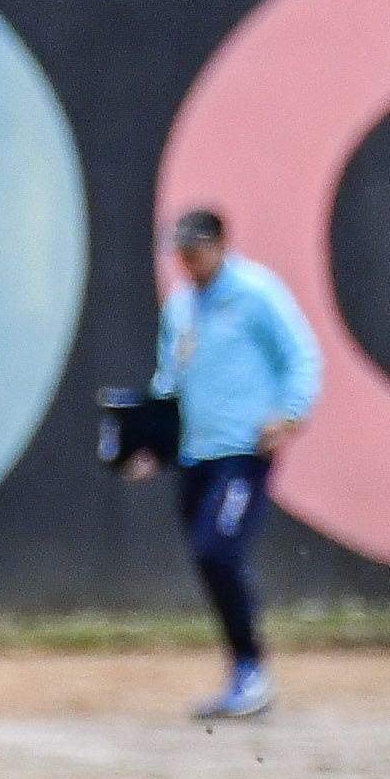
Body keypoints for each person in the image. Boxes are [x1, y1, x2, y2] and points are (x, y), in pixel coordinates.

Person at [145, 208, 316, 724]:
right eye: (181, 252)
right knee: (207, 556)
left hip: (243, 451)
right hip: (197, 453)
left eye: (195, 250)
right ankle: (242, 669)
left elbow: (301, 355)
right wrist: (149, 443)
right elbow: (168, 381)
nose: (188, 261)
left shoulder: (255, 293)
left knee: (218, 547)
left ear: (221, 245)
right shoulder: (180, 308)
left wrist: (289, 413)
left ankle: (250, 671)